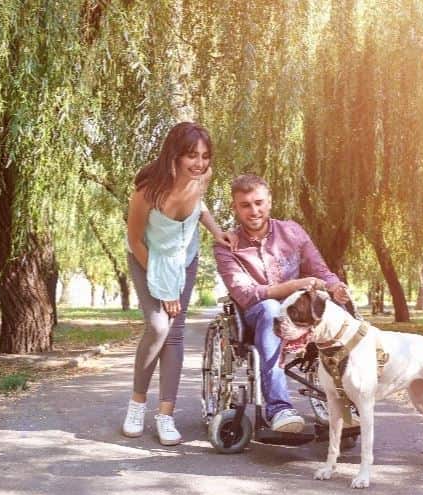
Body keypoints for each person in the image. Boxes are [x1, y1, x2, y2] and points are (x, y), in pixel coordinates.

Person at [122, 122, 237, 445]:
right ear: (174, 155)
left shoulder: (201, 181)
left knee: (174, 333)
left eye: (204, 156)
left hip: (183, 261)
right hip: (147, 258)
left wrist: (217, 232)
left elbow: (199, 209)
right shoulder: (147, 193)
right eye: (191, 156)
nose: (199, 163)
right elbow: (135, 240)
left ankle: (166, 416)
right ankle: (137, 405)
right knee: (158, 326)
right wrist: (164, 289)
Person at [214, 173, 350, 433]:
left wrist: (335, 287)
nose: (254, 211)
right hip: (257, 317)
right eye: (245, 205)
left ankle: (348, 400)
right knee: (270, 309)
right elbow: (246, 294)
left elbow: (320, 270)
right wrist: (293, 286)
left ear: (269, 202)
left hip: (300, 315)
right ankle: (279, 408)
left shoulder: (292, 231)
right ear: (235, 207)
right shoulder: (226, 246)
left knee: (339, 311)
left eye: (259, 202)